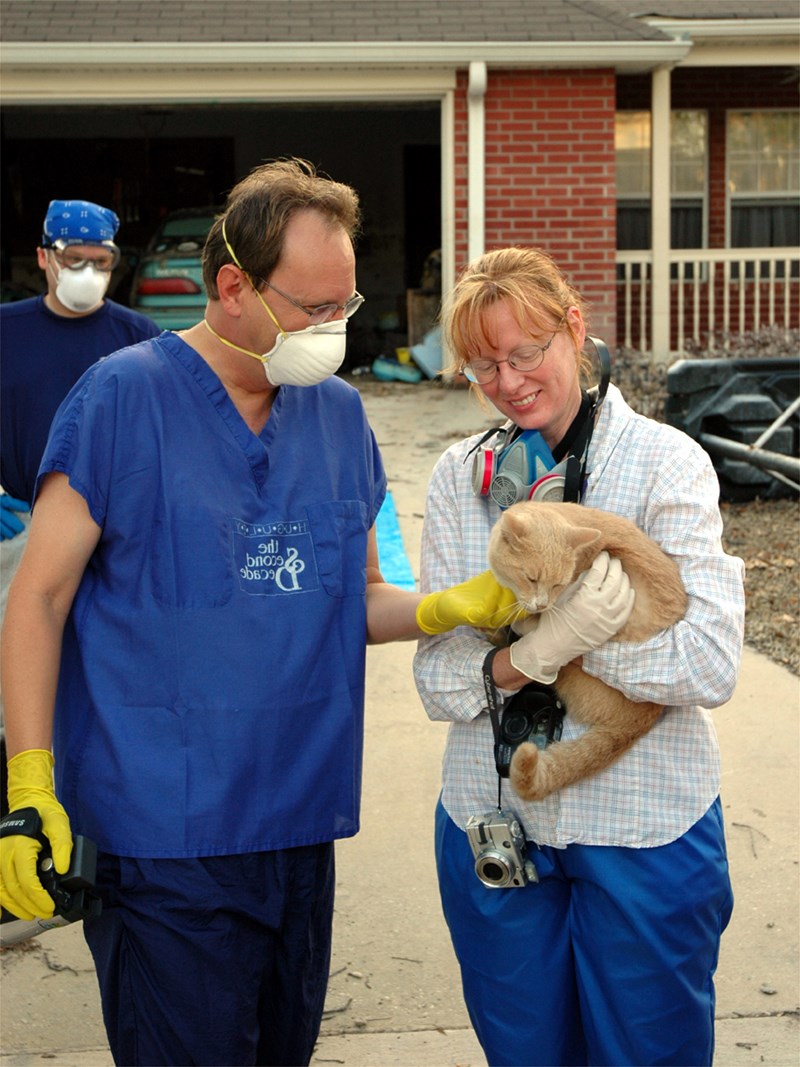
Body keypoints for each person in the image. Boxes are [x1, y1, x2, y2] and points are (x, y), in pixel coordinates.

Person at [0, 158, 515, 1067]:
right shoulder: (122, 399)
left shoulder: (339, 416)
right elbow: (37, 598)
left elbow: (353, 597)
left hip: (296, 824)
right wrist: (29, 783)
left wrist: (444, 607)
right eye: (313, 309)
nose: (331, 333)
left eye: (344, 310)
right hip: (159, 835)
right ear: (233, 286)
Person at [413, 246, 745, 1066]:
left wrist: (575, 646)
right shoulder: (462, 478)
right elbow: (438, 681)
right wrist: (544, 649)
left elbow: (710, 661)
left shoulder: (667, 463)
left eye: (526, 351)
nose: (510, 380)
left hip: (645, 829)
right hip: (494, 819)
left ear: (574, 329)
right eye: (484, 365)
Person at [0, 199, 160, 809]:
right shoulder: (8, 331)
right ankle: (25, 819)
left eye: (102, 261)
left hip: (113, 540)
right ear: (44, 258)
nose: (88, 273)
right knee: (19, 685)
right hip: (21, 526)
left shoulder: (137, 339)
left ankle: (100, 827)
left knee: (105, 684)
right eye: (74, 260)